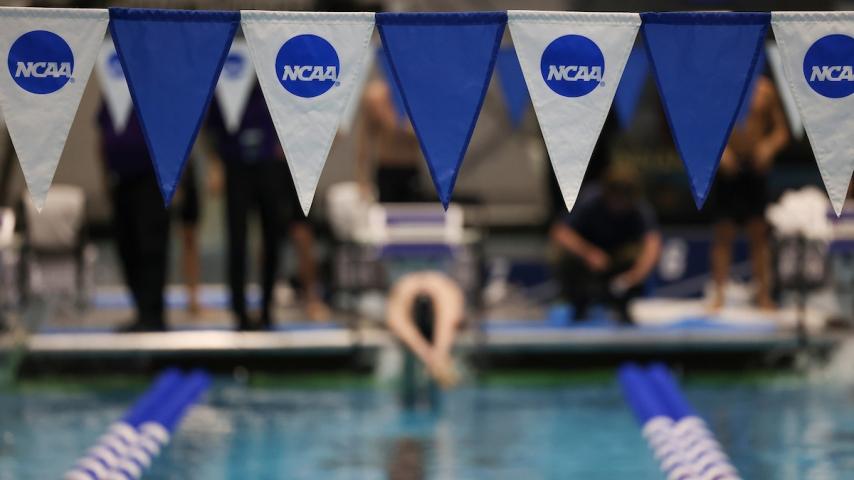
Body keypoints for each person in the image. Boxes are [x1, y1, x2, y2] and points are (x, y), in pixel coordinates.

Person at [207, 86, 286, 331]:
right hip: (235, 163)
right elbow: (211, 123)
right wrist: (215, 161)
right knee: (237, 240)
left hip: (268, 163)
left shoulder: (271, 76)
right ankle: (239, 310)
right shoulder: (226, 78)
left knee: (273, 237)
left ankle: (267, 307)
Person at [710, 75, 790, 311]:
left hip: (755, 166)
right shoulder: (721, 85)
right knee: (723, 232)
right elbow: (705, 125)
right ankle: (718, 295)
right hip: (728, 166)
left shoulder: (765, 88)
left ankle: (763, 295)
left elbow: (781, 131)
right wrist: (720, 152)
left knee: (759, 233)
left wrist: (768, 147)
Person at [551, 164, 662, 324]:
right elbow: (560, 232)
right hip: (587, 261)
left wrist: (635, 276)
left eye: (625, 196)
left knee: (636, 257)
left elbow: (653, 244)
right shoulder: (590, 199)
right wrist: (589, 253)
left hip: (618, 262)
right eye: (616, 195)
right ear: (606, 192)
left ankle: (622, 307)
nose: (620, 202)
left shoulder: (640, 208)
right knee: (561, 257)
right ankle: (579, 305)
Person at [98, 107, 170, 332]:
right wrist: (105, 177)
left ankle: (153, 315)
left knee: (150, 247)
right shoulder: (112, 96)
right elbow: (101, 136)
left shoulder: (153, 96)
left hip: (150, 181)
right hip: (120, 181)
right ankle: (141, 311)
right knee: (127, 247)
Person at [385, 271, 463, 388]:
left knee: (438, 287)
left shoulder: (442, 288)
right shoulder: (408, 285)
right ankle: (438, 359)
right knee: (416, 286)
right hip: (415, 285)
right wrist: (433, 357)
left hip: (437, 285)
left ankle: (438, 358)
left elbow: (452, 320)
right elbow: (395, 321)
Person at [357, 76, 423, 203]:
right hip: (386, 169)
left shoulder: (416, 93)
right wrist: (362, 181)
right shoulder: (375, 97)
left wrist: (398, 124)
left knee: (411, 213)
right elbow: (364, 142)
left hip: (411, 169)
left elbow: (424, 134)